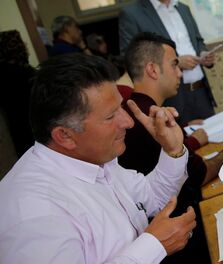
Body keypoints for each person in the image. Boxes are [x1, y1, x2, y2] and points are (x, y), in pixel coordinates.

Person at [0, 53, 196, 263]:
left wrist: (172, 150)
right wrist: (154, 246)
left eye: (121, 106)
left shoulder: (93, 158)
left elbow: (152, 198)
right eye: (111, 116)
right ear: (65, 136)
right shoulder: (32, 213)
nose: (128, 123)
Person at [119, 32, 223, 262]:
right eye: (174, 64)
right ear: (153, 69)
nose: (180, 73)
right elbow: (198, 174)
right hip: (178, 237)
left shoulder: (144, 108)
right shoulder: (148, 116)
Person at [119, 0, 218, 124]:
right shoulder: (132, 13)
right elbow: (130, 57)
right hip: (170, 99)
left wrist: (203, 53)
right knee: (182, 141)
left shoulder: (183, 8)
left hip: (201, 91)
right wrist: (176, 62)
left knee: (213, 136)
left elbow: (197, 40)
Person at [0, 30, 36, 156]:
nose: (26, 44)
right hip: (35, 128)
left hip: (15, 131)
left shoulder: (3, 75)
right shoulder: (28, 75)